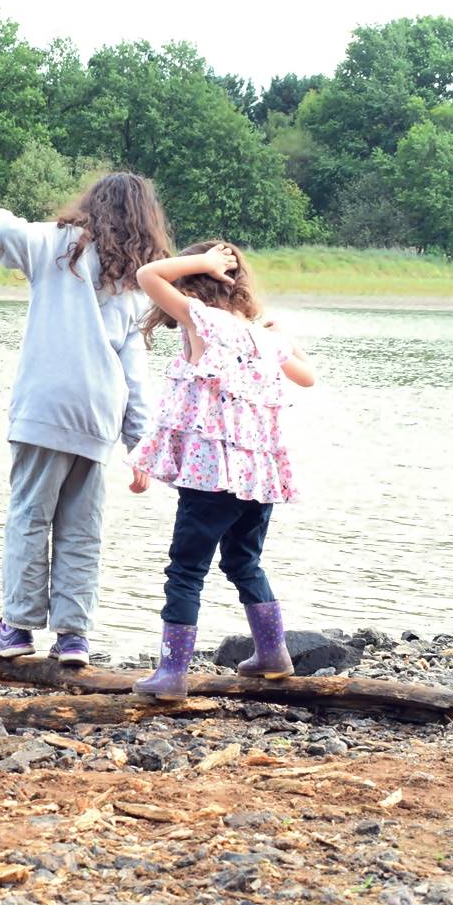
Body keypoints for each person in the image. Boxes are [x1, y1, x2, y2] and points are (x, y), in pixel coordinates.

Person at [0, 173, 170, 666]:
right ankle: (73, 635)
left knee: (29, 517)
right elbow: (134, 372)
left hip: (45, 407)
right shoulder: (134, 279)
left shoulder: (57, 245)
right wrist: (140, 444)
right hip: (99, 414)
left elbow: (2, 230)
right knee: (82, 528)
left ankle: (16, 626)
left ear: (92, 204)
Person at [127, 241, 316, 700]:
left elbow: (148, 275)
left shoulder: (201, 321)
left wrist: (204, 262)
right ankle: (272, 653)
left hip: (210, 476)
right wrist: (285, 337)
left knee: (186, 570)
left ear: (194, 285)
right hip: (258, 478)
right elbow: (306, 376)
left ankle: (173, 674)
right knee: (243, 560)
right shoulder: (261, 337)